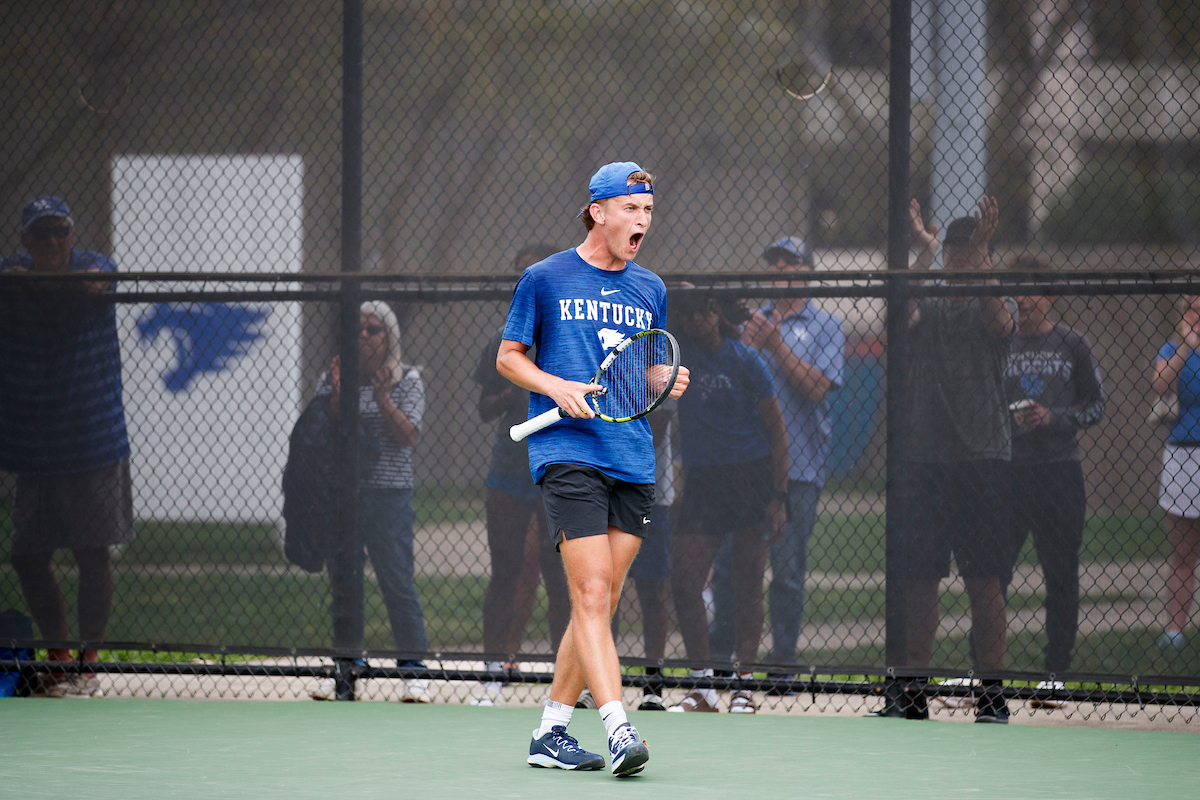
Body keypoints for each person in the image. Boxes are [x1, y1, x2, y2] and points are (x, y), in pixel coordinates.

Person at [497, 161, 689, 777]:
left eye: (649, 211)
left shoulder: (649, 288)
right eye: (631, 209)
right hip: (567, 455)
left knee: (597, 607)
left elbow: (641, 368)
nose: (642, 221)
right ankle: (619, 727)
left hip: (631, 458)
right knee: (593, 591)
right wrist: (554, 386)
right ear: (597, 211)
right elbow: (509, 358)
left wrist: (664, 380)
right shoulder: (543, 278)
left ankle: (550, 733)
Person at [0, 196, 133, 698]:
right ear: (25, 239)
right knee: (28, 555)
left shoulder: (98, 264)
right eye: (42, 234)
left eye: (61, 231)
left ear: (73, 234)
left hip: (91, 434)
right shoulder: (7, 270)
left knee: (92, 553)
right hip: (34, 440)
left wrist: (31, 284)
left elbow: (94, 287)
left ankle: (88, 659)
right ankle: (59, 655)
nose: (54, 241)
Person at [899, 197, 1015, 723]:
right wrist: (922, 254)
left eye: (967, 252)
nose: (958, 260)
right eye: (953, 252)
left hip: (982, 458)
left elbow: (1000, 324)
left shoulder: (986, 299)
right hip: (928, 460)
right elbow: (902, 311)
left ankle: (992, 695)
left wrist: (985, 256)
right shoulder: (933, 302)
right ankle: (912, 691)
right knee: (921, 578)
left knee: (984, 578)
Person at [718, 236, 844, 690]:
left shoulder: (827, 324)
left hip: (801, 469)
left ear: (808, 270)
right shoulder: (751, 321)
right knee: (733, 566)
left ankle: (782, 662)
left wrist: (776, 347)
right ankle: (723, 659)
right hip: (748, 467)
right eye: (773, 262)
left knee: (787, 574)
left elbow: (817, 388)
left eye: (788, 262)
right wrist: (748, 339)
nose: (778, 269)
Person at [667, 292, 788, 715]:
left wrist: (778, 496)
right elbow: (666, 298)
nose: (697, 318)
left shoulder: (746, 360)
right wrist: (699, 298)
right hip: (704, 481)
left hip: (749, 477)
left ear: (718, 315)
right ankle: (703, 686)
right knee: (684, 580)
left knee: (747, 586)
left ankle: (743, 683)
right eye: (690, 311)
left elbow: (776, 430)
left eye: (706, 309)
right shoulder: (676, 354)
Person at [310, 301, 430, 703]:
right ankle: (345, 669)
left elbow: (408, 436)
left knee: (397, 583)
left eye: (373, 329)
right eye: (358, 329)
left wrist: (383, 399)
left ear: (389, 337)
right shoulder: (332, 378)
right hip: (344, 496)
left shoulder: (408, 380)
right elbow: (321, 431)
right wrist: (339, 394)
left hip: (389, 496)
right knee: (346, 583)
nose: (363, 336)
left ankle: (414, 672)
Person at [470, 243, 570, 706]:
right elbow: (485, 407)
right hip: (508, 474)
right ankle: (492, 674)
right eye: (518, 276)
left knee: (560, 579)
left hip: (557, 471)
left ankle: (566, 682)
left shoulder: (571, 338)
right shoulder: (502, 340)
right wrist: (514, 393)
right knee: (505, 573)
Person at [1002, 253, 1105, 681]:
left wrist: (1054, 418)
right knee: (994, 571)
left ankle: (1056, 669)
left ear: (1049, 296)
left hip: (1059, 470)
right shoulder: (999, 340)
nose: (1022, 300)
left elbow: (1096, 405)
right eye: (1016, 291)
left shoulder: (1072, 343)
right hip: (1009, 471)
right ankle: (985, 666)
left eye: (1032, 291)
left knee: (1060, 570)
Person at [615, 400, 677, 711]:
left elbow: (660, 422)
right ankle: (595, 684)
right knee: (600, 589)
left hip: (650, 491)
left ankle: (653, 684)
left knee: (652, 588)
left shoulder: (652, 356)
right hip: (600, 489)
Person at [1153, 295, 1200, 651]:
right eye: (1193, 309)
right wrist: (1187, 345)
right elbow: (1161, 384)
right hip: (1182, 455)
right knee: (1183, 552)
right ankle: (1175, 630)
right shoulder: (1173, 348)